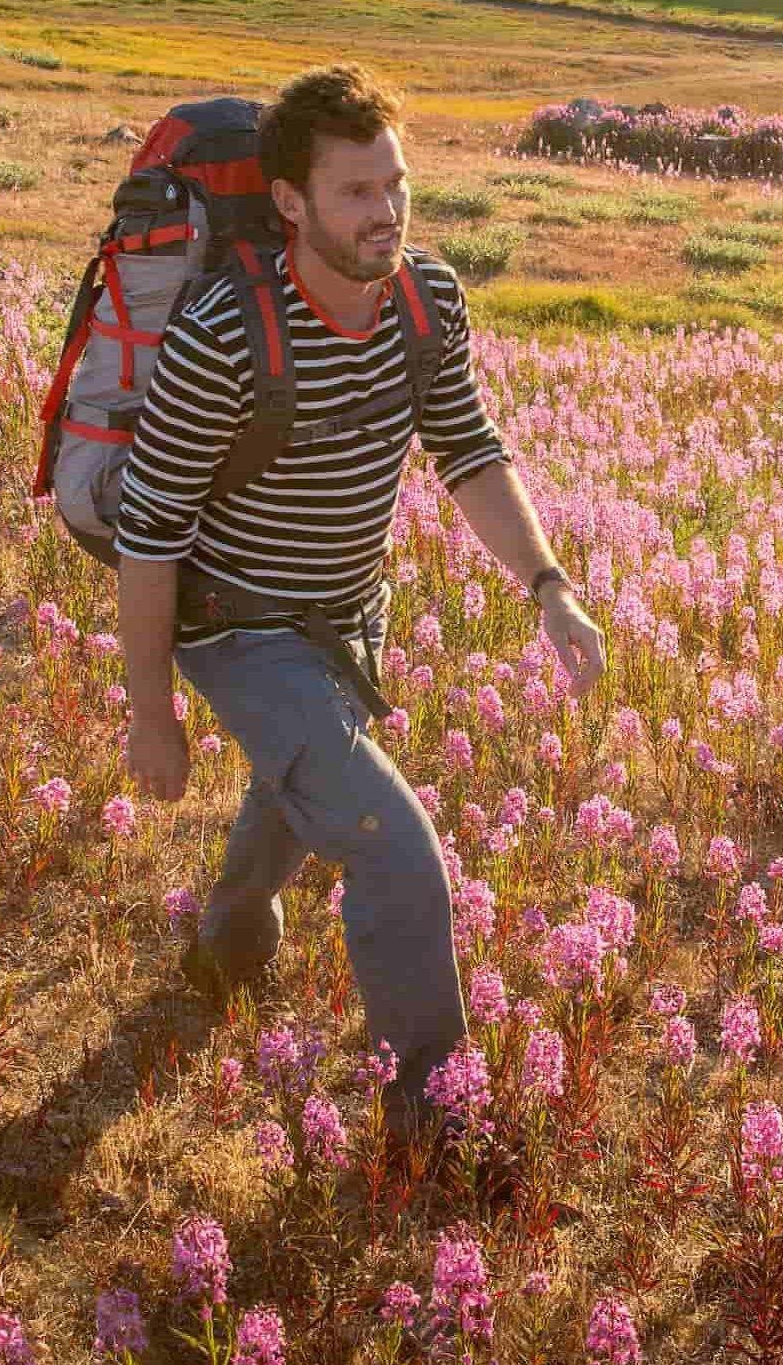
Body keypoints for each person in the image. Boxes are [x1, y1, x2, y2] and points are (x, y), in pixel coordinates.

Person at [113, 65, 604, 1146]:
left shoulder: (427, 297)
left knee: (298, 793)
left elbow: (469, 450)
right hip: (236, 626)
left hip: (345, 616)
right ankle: (438, 1122)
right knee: (392, 847)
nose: (385, 212)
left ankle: (224, 951)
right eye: (354, 192)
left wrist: (549, 586)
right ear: (290, 201)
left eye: (397, 184)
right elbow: (147, 533)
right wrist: (152, 710)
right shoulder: (224, 336)